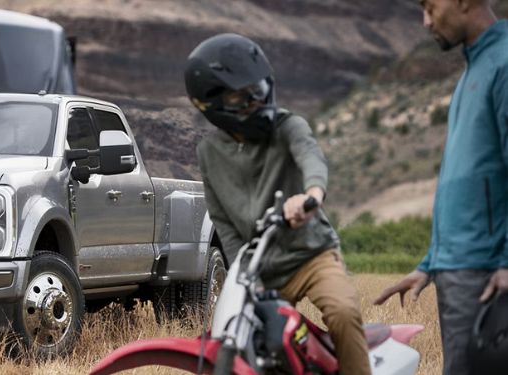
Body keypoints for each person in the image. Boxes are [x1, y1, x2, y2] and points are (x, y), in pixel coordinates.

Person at [185, 34, 370, 374]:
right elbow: (223, 222)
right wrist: (243, 273)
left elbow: (312, 159)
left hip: (310, 255)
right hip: (260, 271)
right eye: (243, 96)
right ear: (213, 104)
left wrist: (311, 197)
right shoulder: (209, 154)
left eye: (258, 90)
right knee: (246, 344)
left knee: (343, 313)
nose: (256, 100)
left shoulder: (288, 126)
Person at [375, 1, 508, 373]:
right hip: (460, 272)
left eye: (431, 7)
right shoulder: (473, 70)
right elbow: (465, 184)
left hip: (488, 276)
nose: (426, 21)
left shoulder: (504, 62)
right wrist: (430, 264)